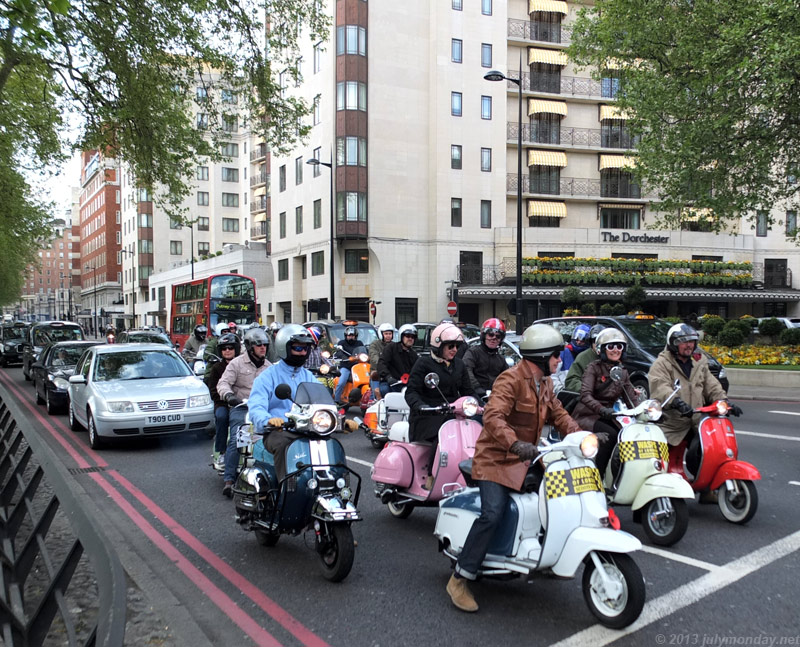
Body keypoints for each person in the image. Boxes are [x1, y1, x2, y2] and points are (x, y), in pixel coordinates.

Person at [446, 324, 580, 613]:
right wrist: (515, 443)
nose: (560, 360)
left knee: (559, 497)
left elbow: (558, 412)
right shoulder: (510, 379)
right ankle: (460, 577)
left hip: (528, 456)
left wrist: (581, 435)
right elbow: (494, 418)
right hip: (496, 459)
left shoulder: (545, 381)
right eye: (557, 355)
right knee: (492, 513)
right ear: (543, 356)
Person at [249, 324, 357, 481]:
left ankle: (339, 489)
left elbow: (323, 403)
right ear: (283, 348)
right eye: (298, 348)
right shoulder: (267, 377)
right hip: (278, 432)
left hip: (307, 429)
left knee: (331, 444)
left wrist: (340, 421)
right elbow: (256, 407)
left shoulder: (308, 377)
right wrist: (268, 420)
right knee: (283, 445)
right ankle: (286, 493)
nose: (303, 353)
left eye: (306, 349)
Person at [648, 323, 738, 502]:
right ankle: (656, 494)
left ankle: (706, 488)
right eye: (683, 342)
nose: (689, 345)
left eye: (692, 341)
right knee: (655, 464)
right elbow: (660, 386)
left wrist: (724, 401)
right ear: (673, 343)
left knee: (709, 449)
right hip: (671, 423)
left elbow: (710, 384)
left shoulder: (699, 361)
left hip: (696, 421)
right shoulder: (662, 363)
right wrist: (677, 403)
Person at [405, 323, 476, 488]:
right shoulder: (423, 364)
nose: (454, 349)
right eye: (450, 346)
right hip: (428, 415)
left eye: (457, 346)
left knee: (476, 431)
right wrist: (421, 406)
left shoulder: (459, 365)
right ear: (438, 346)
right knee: (443, 436)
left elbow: (468, 391)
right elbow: (411, 391)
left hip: (453, 413)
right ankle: (431, 476)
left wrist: (481, 405)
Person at [571, 328, 639, 477]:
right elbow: (585, 395)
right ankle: (597, 475)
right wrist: (601, 409)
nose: (615, 350)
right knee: (611, 435)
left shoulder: (622, 372)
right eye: (610, 346)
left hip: (607, 415)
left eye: (619, 346)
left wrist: (645, 413)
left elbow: (630, 398)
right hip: (587, 414)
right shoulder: (593, 368)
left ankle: (616, 475)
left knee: (627, 434)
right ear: (602, 349)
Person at [217, 327, 271, 497]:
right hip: (242, 409)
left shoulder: (269, 367)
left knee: (274, 438)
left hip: (262, 410)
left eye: (265, 345)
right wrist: (229, 396)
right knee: (237, 439)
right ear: (249, 347)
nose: (263, 347)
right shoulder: (237, 363)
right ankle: (229, 480)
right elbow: (223, 383)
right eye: (258, 345)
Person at [204, 332, 240, 470]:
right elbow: (213, 390)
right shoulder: (216, 368)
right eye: (224, 348)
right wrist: (227, 400)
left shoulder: (243, 365)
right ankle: (222, 452)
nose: (227, 351)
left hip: (242, 403)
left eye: (230, 348)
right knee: (221, 416)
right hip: (223, 404)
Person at [461, 318, 508, 399]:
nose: (494, 338)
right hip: (474, 396)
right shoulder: (473, 352)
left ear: (501, 340)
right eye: (490, 335)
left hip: (495, 396)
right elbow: (466, 369)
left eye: (498, 336)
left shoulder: (501, 359)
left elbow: (508, 377)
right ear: (484, 336)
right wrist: (477, 388)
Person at [377, 324, 419, 395]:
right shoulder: (391, 348)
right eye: (407, 336)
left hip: (406, 384)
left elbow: (417, 371)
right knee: (385, 390)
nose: (410, 339)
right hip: (390, 383)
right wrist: (389, 377)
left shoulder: (414, 355)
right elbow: (382, 364)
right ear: (401, 336)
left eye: (413, 337)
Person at [564, 324, 607, 392]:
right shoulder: (583, 357)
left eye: (602, 342)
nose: (599, 345)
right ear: (591, 342)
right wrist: (590, 389)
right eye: (595, 341)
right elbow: (571, 382)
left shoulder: (612, 356)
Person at [332, 325, 363, 405]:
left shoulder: (359, 343)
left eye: (352, 335)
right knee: (341, 382)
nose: (351, 337)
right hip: (346, 366)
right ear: (346, 336)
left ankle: (368, 400)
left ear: (355, 336)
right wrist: (344, 357)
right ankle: (336, 401)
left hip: (357, 367)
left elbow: (363, 352)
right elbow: (338, 352)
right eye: (349, 335)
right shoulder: (342, 343)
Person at [369, 323, 396, 398]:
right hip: (377, 374)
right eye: (386, 334)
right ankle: (372, 402)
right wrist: (383, 365)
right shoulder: (375, 344)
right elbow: (374, 356)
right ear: (381, 334)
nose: (388, 336)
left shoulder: (395, 345)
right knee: (376, 394)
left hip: (391, 375)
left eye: (390, 333)